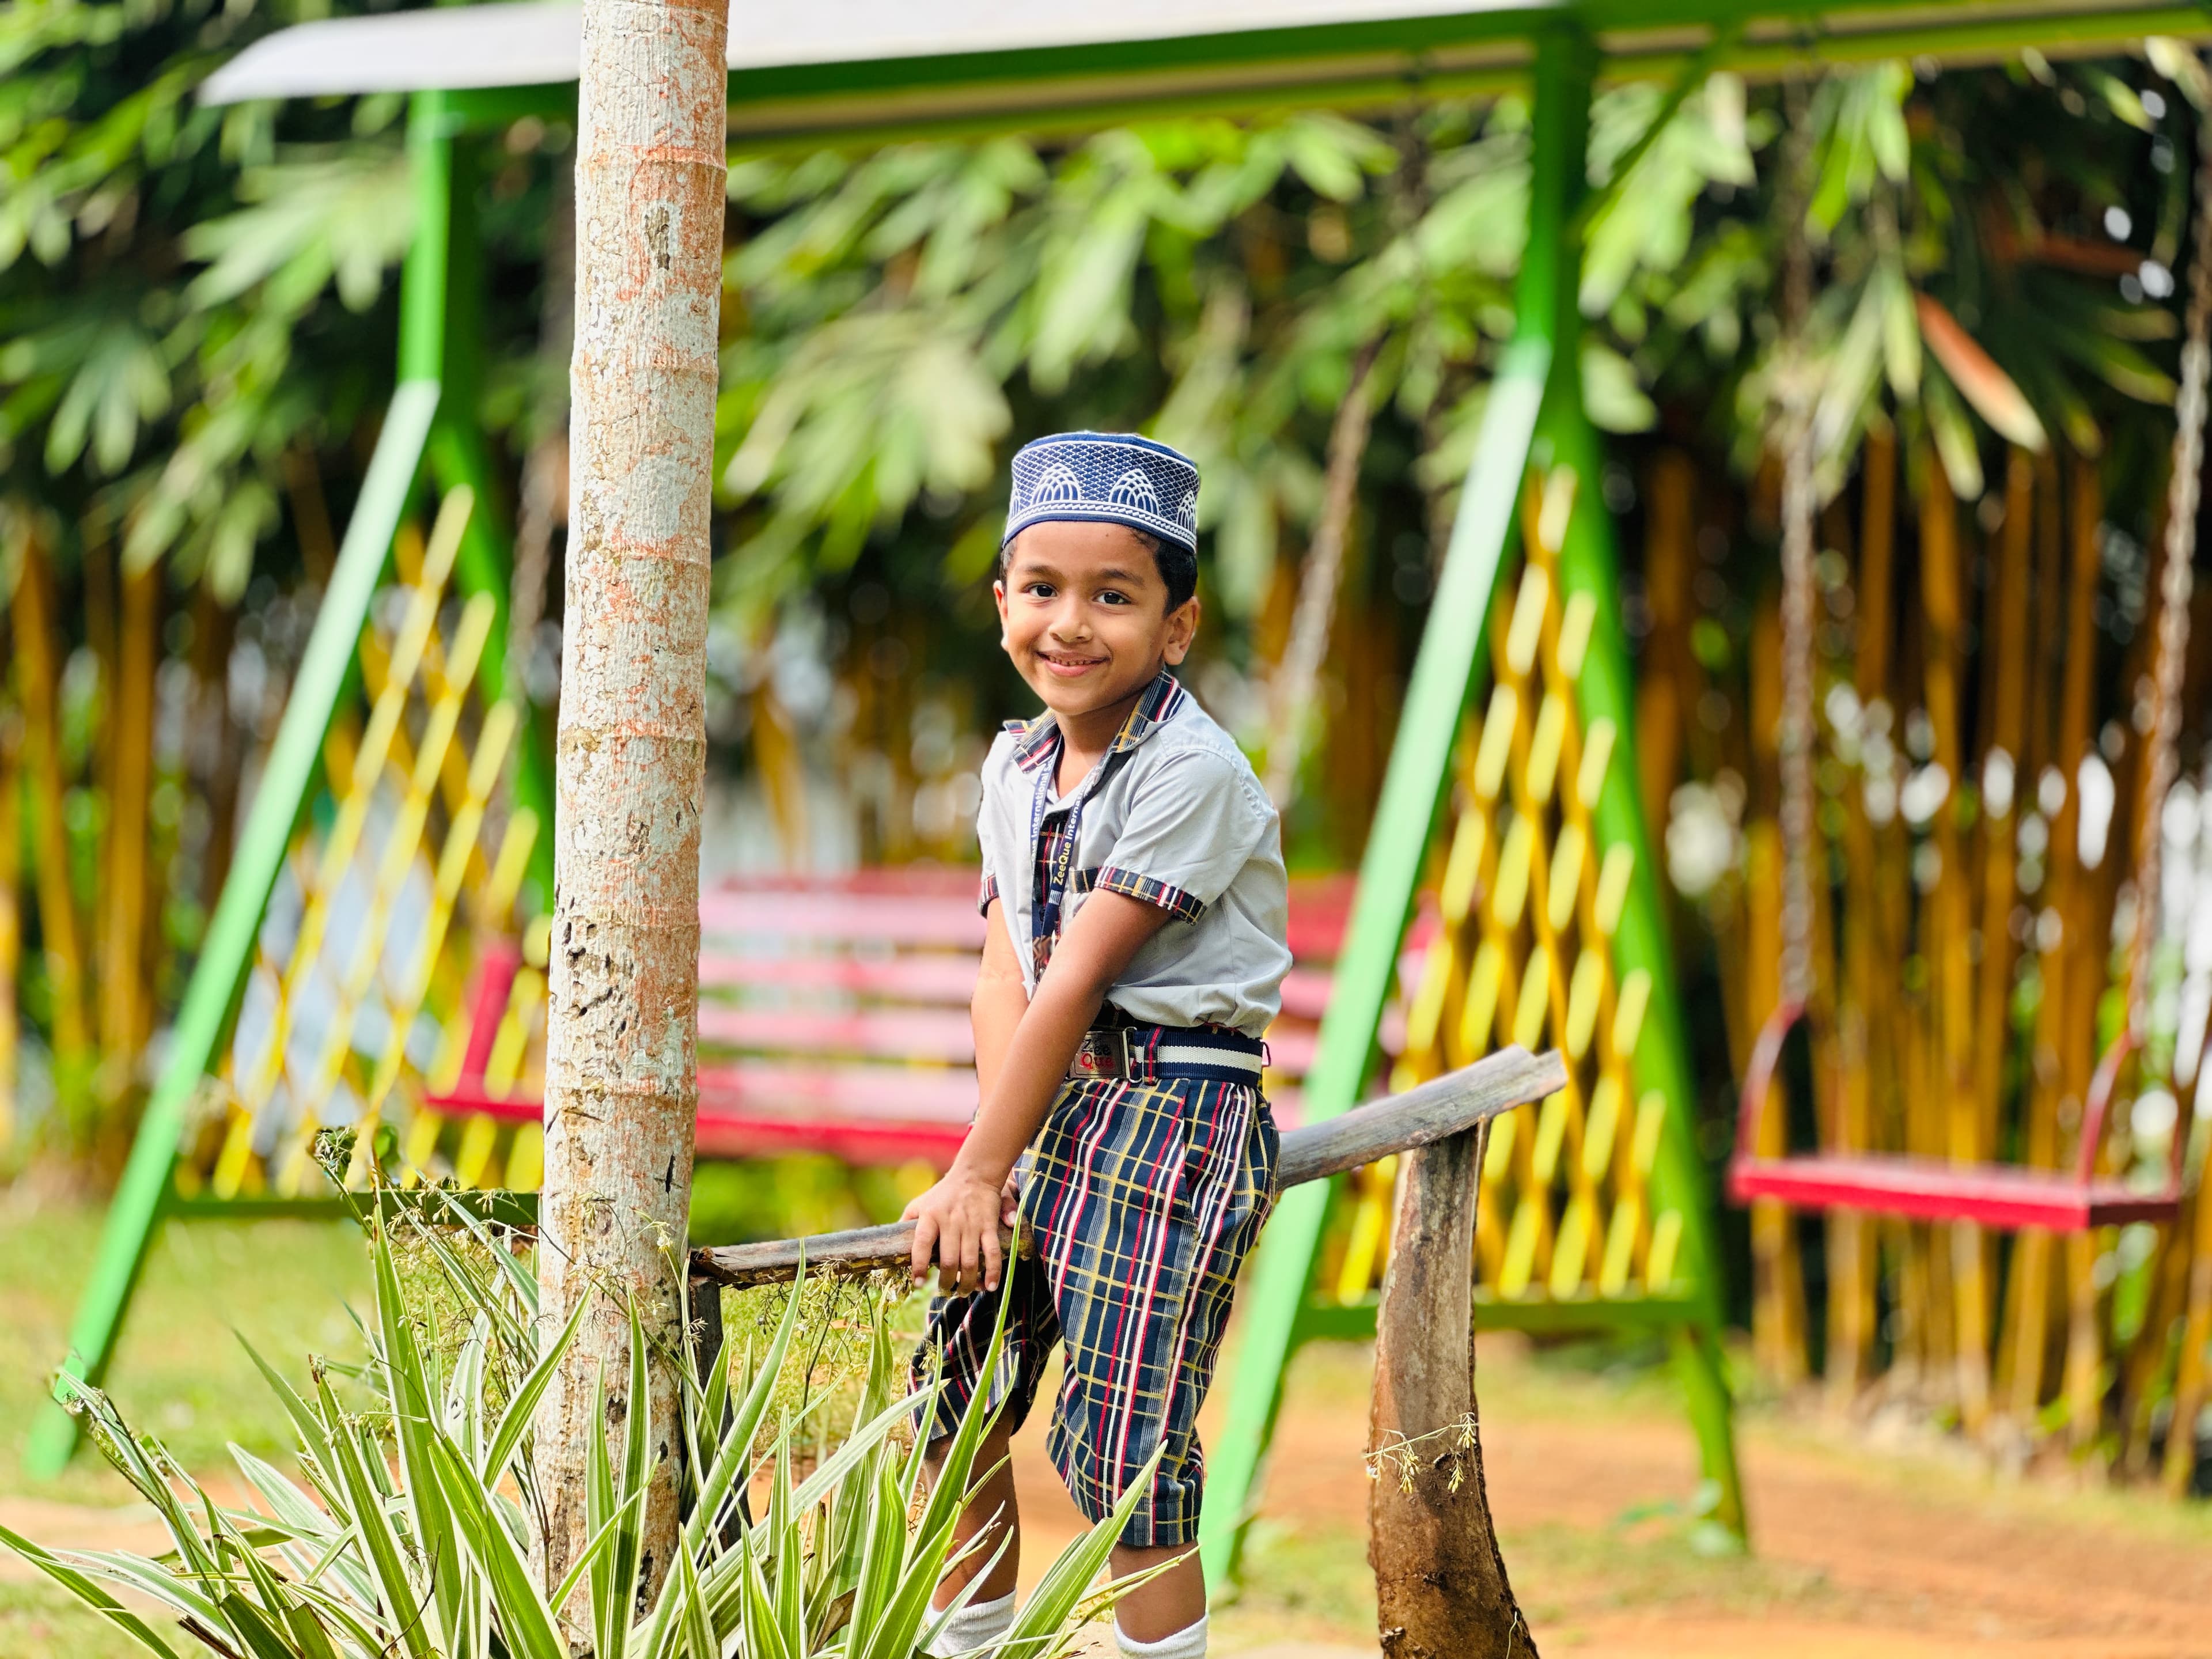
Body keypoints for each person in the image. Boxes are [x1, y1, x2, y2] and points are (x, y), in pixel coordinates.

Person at [905, 432, 1291, 1659]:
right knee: (950, 1407)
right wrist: (994, 1162)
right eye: (1043, 590)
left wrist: (974, 1168)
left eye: (1114, 597)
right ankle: (971, 1645)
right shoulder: (1014, 766)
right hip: (1046, 1113)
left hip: (1173, 1116)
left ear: (1177, 625)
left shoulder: (1194, 771)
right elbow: (1004, 974)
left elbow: (1076, 977)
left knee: (1125, 1450)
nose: (1071, 625)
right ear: (1003, 602)